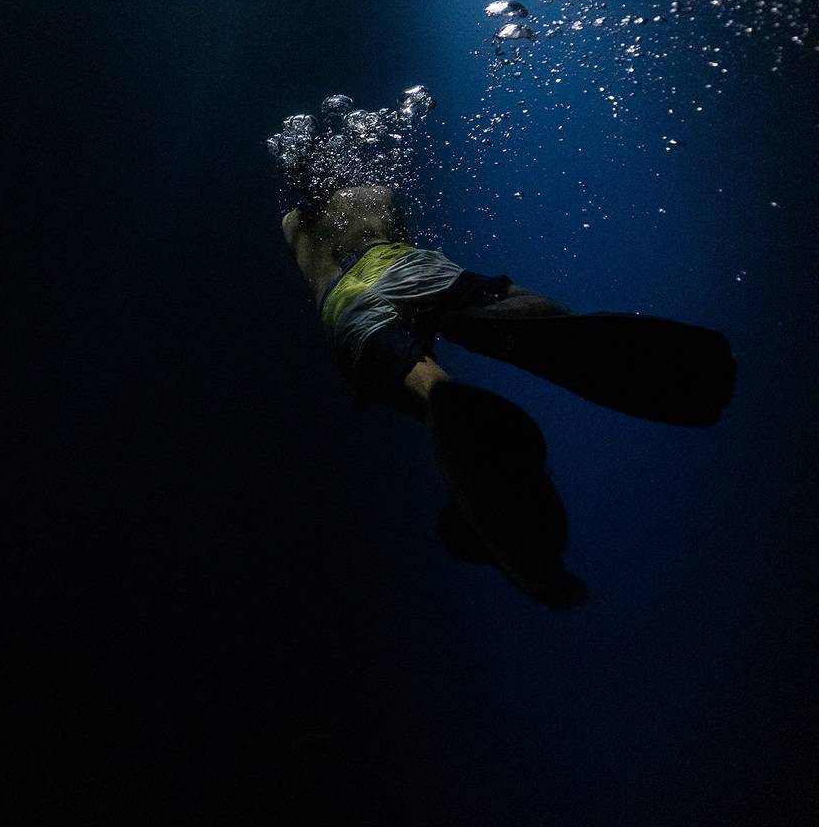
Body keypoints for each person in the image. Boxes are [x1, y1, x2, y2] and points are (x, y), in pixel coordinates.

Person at [283, 181, 735, 607]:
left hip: (349, 302)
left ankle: (453, 414)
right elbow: (393, 236)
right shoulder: (374, 195)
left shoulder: (296, 221)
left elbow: (309, 230)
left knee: (436, 393)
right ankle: (527, 338)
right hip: (399, 268)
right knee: (521, 327)